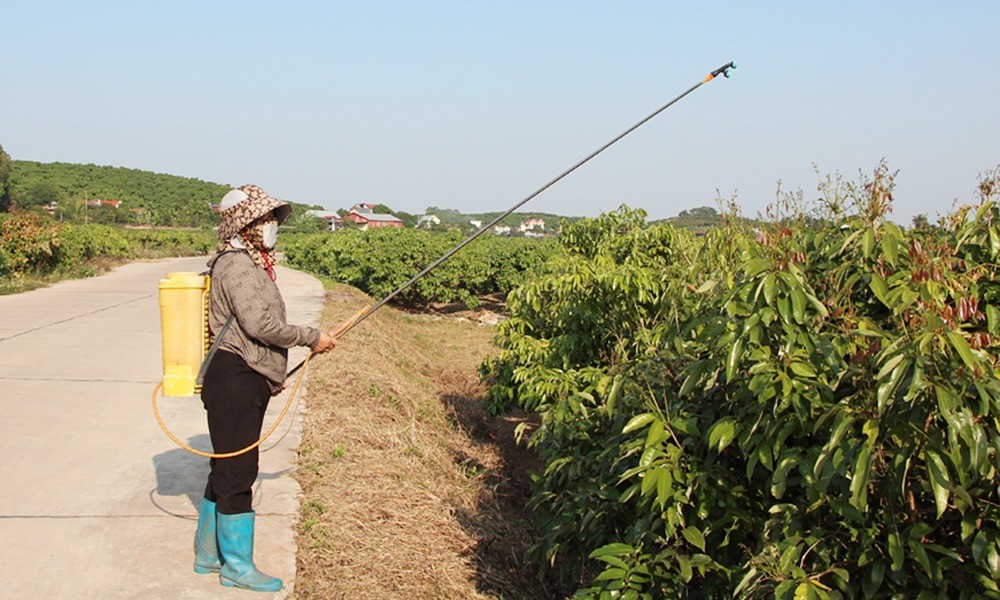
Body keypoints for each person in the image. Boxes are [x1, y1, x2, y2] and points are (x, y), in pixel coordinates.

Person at [192, 184, 337, 592]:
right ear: (248, 225)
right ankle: (236, 566)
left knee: (225, 464)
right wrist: (311, 336)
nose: (273, 225)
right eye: (267, 219)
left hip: (243, 377)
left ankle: (207, 555)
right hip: (234, 379)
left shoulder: (251, 263)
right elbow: (260, 326)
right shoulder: (237, 265)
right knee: (239, 469)